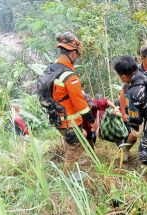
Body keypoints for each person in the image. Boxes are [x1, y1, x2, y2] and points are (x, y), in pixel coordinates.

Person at [49, 32, 97, 174]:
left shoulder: (53, 69)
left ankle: (71, 162)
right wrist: (92, 121)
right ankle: (68, 176)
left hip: (56, 116)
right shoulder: (69, 76)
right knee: (76, 143)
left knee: (69, 140)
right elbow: (81, 105)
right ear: (73, 53)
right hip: (69, 118)